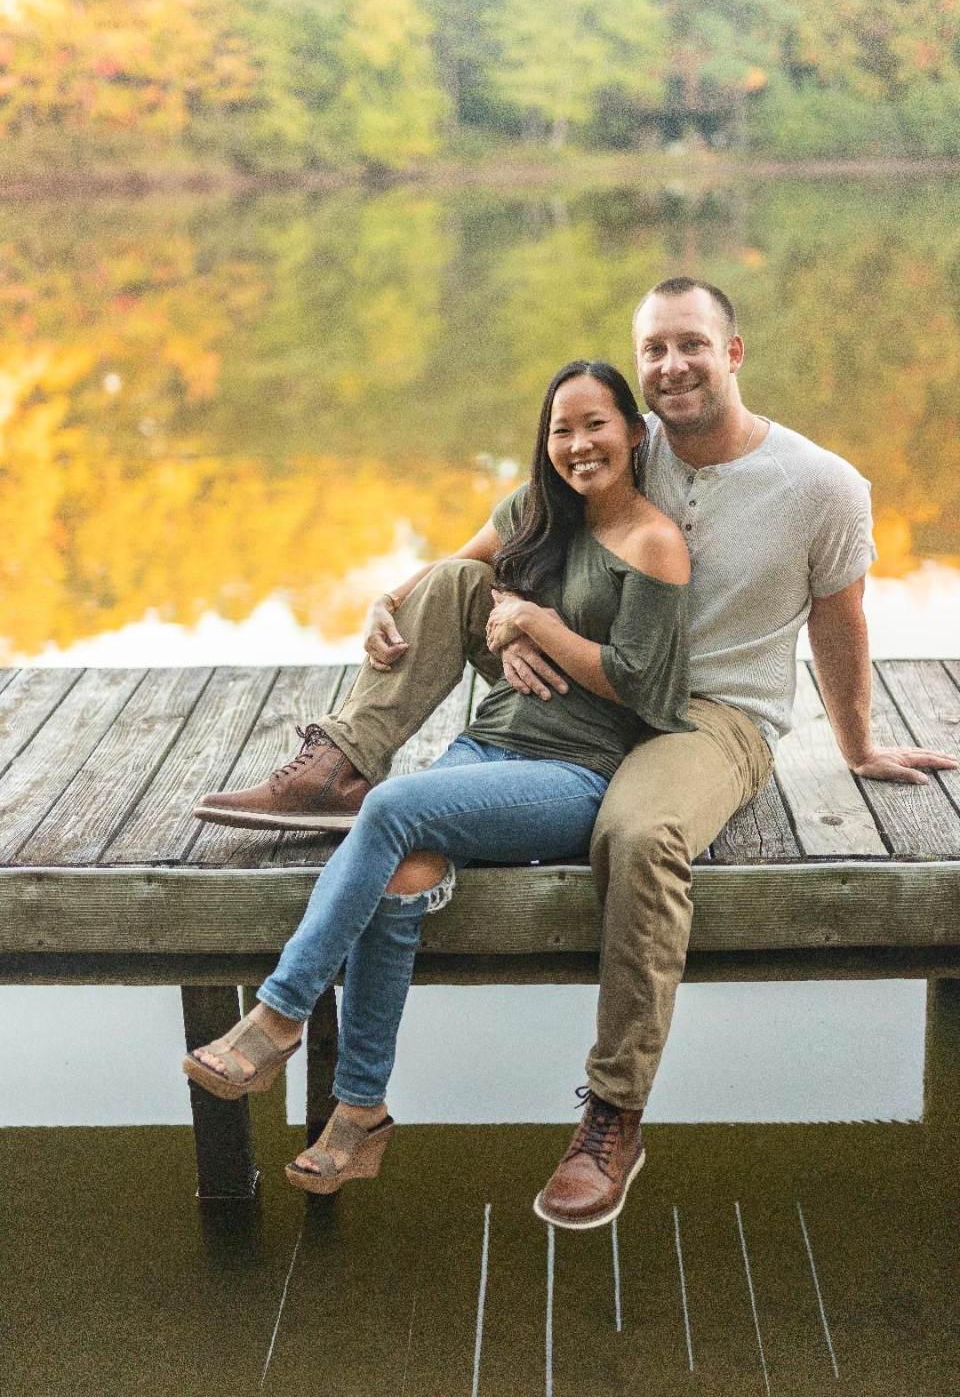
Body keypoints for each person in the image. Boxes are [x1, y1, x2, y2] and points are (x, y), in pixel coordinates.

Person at [195, 277, 958, 1230]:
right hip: (579, 688)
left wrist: (858, 742)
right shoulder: (619, 450)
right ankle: (341, 764)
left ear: (733, 352)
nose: (672, 365)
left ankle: (613, 1114)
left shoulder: (821, 485)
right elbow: (482, 556)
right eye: (655, 350)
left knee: (637, 834)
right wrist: (428, 603)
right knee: (448, 601)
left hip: (706, 715)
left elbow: (840, 621)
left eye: (691, 343)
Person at [185, 358, 692, 1205]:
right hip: (487, 748)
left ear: (635, 434)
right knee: (401, 877)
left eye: (597, 425)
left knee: (388, 808)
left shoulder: (655, 543)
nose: (578, 445)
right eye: (561, 430)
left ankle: (277, 1015)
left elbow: (643, 686)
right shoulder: (535, 512)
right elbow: (453, 573)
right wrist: (389, 600)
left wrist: (532, 621)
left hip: (576, 776)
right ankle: (361, 1112)